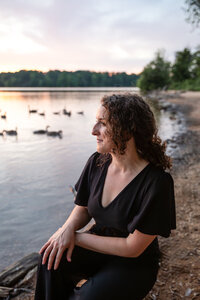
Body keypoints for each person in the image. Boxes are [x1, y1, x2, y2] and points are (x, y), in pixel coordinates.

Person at [34, 93, 176, 300]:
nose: (93, 131)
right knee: (49, 259)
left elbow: (132, 248)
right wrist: (64, 230)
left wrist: (75, 236)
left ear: (127, 129)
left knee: (87, 297)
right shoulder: (97, 162)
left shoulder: (157, 182)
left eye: (102, 123)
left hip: (134, 264)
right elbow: (83, 208)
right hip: (98, 246)